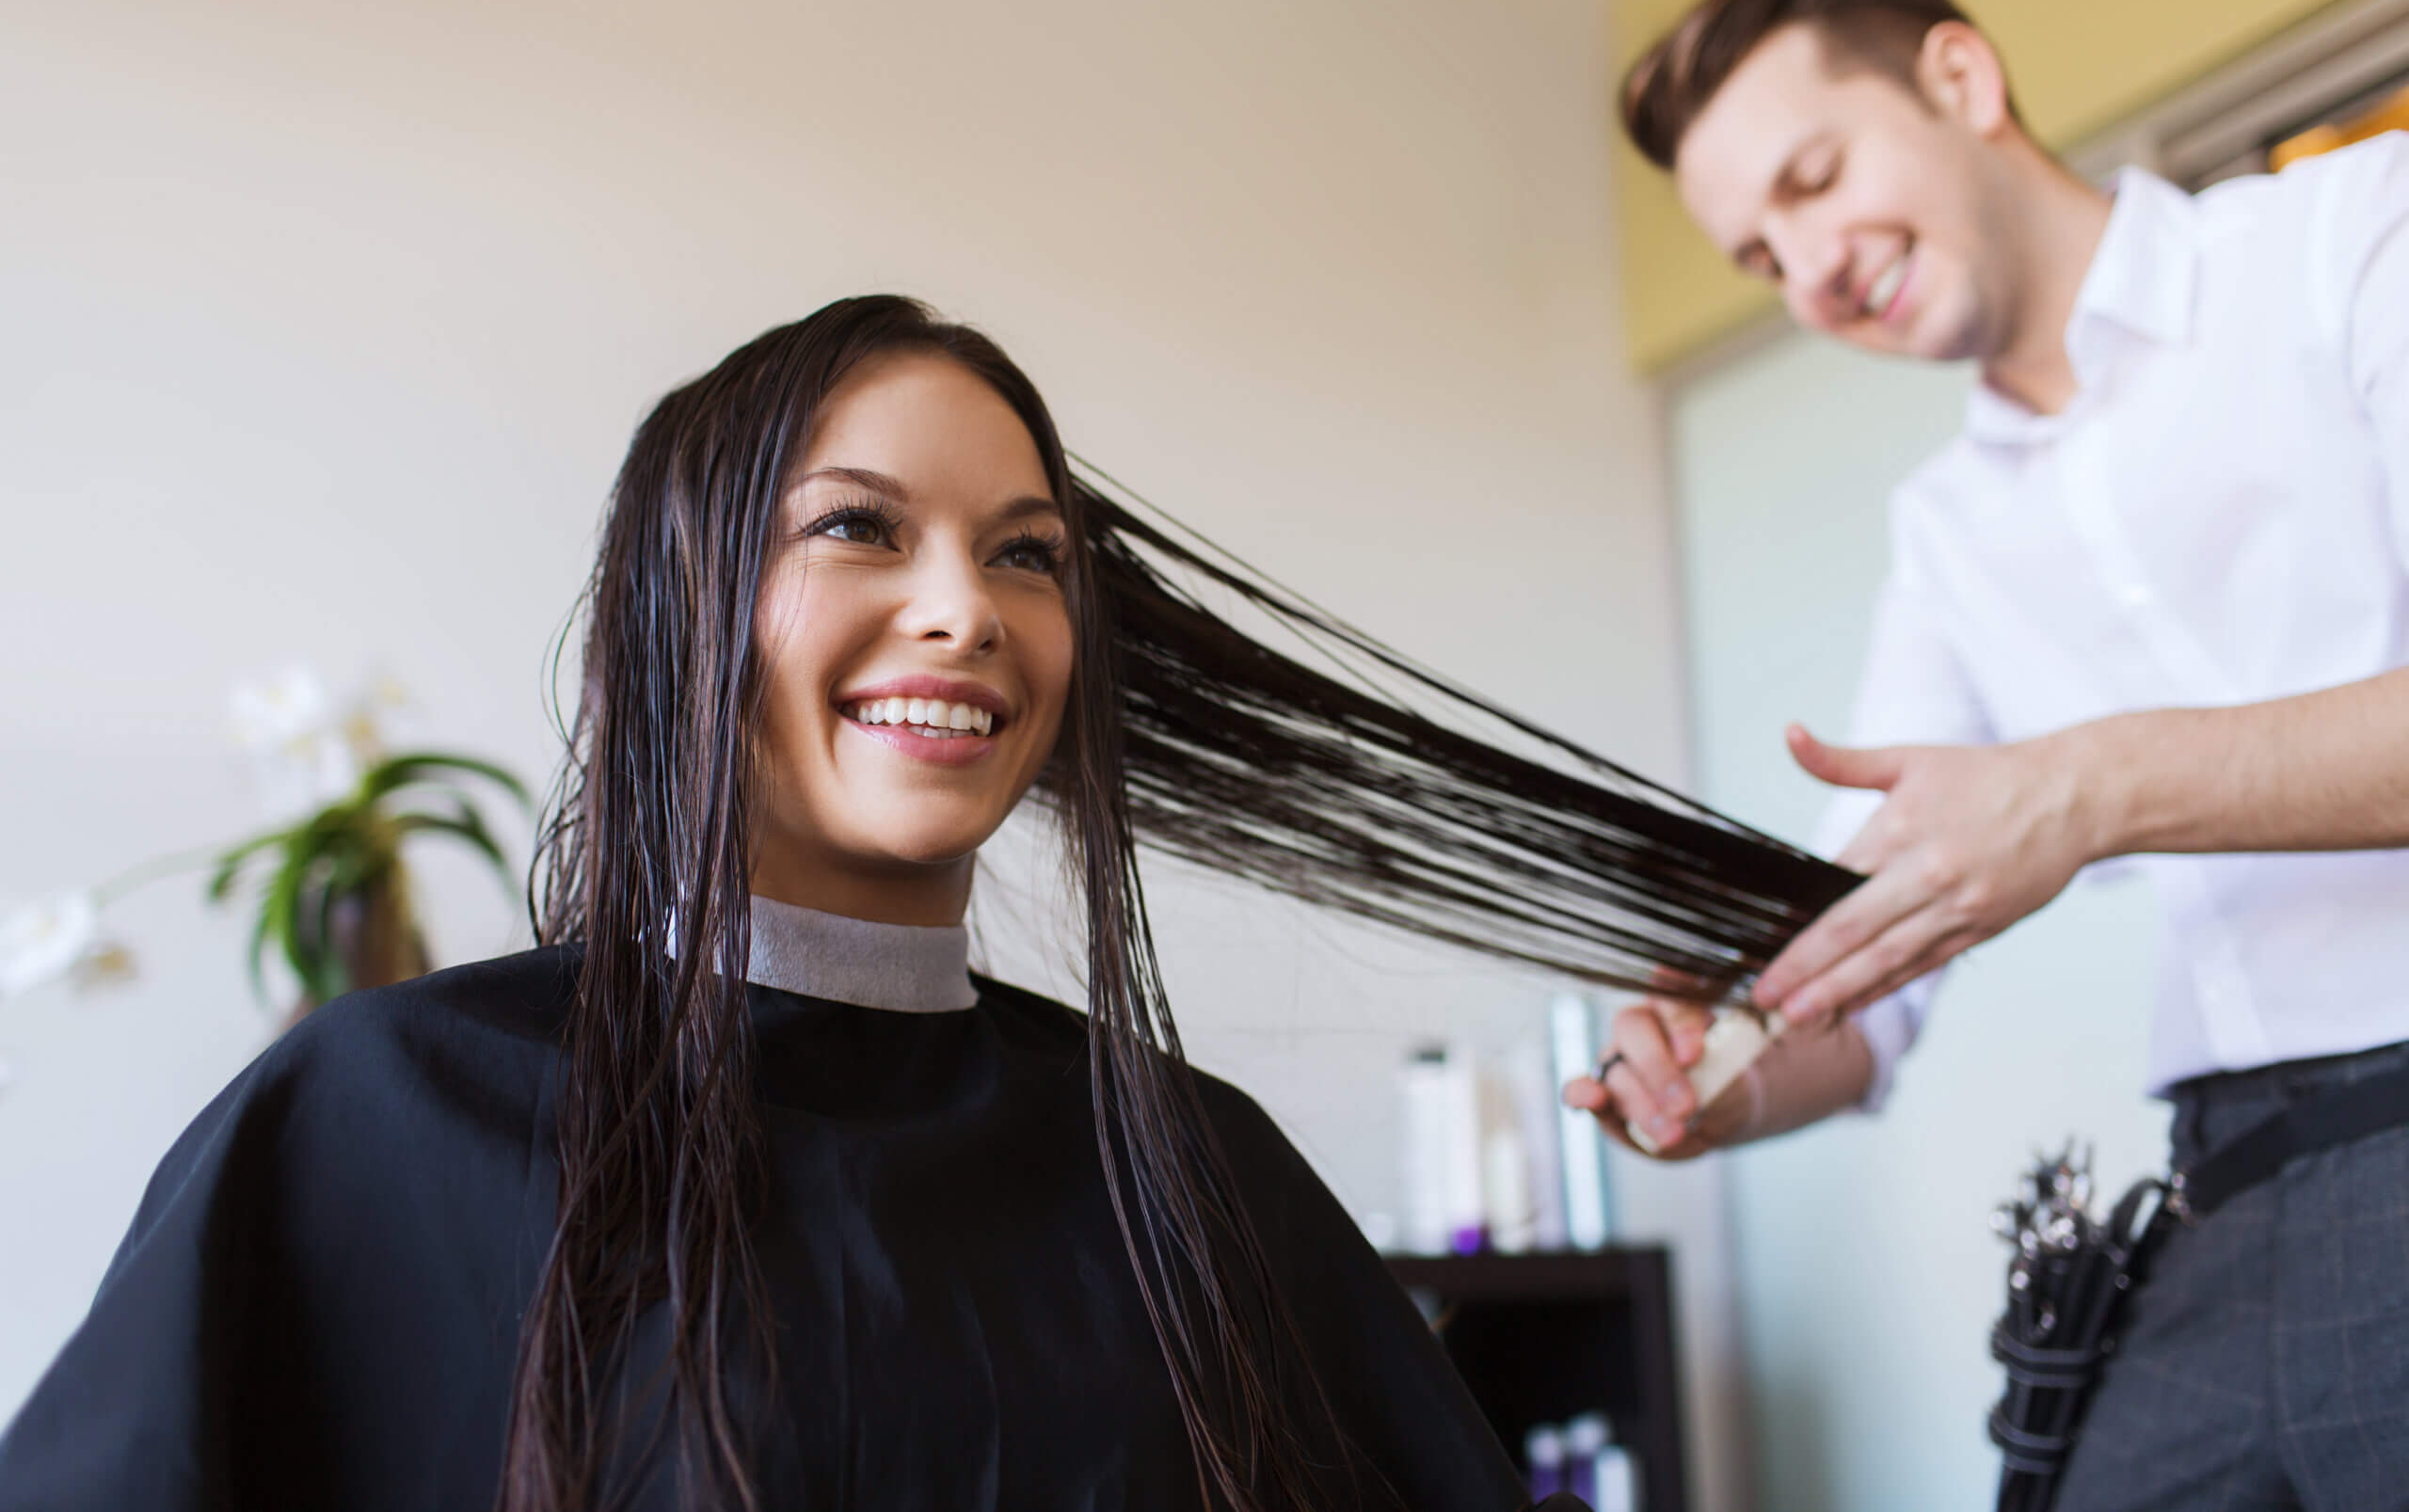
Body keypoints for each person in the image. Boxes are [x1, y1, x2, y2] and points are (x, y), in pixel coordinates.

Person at [0, 297, 1573, 1511]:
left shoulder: (1192, 1168)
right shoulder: (381, 1117)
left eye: (1028, 556)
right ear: (685, 601)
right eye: (857, 526)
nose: (967, 609)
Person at [1563, 0, 2409, 1509]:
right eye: (1759, 254)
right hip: (2222, 1206)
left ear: (1962, 79)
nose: (1809, 269)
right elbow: (1873, 965)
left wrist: (2091, 790)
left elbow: (2057, 804)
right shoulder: (1947, 531)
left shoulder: (2352, 235)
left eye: (1815, 180)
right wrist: (1723, 1074)